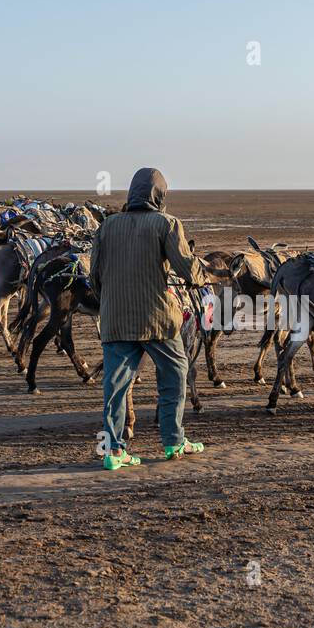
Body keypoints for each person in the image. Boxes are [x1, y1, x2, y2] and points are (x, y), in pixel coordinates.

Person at [90, 167, 210, 470]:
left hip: (115, 320)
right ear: (160, 195)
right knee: (175, 373)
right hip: (157, 319)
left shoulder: (107, 226)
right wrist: (199, 276)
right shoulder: (166, 224)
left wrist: (111, 300)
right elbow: (186, 267)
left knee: (114, 387)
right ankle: (173, 440)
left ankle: (113, 451)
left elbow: (94, 276)